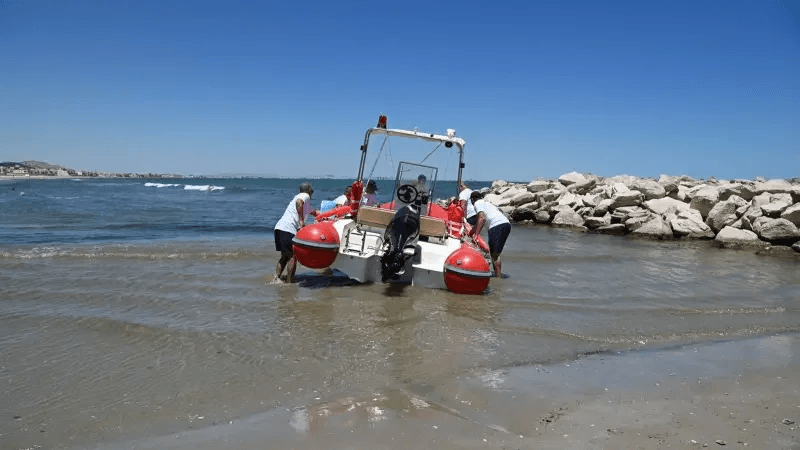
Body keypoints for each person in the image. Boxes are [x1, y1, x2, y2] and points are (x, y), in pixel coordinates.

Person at [274, 182, 315, 283]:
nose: (312, 193)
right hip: (288, 229)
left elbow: (314, 212)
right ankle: (289, 282)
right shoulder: (304, 196)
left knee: (285, 256)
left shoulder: (301, 201)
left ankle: (276, 278)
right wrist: (301, 220)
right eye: (312, 191)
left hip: (279, 228)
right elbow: (299, 202)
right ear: (308, 190)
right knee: (293, 256)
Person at [467, 191, 511, 278]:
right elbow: (478, 223)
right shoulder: (487, 204)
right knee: (496, 253)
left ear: (472, 200)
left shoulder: (477, 203)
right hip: (506, 224)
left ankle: (498, 278)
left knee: (494, 255)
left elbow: (481, 218)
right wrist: (470, 233)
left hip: (496, 226)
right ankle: (498, 275)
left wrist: (476, 234)